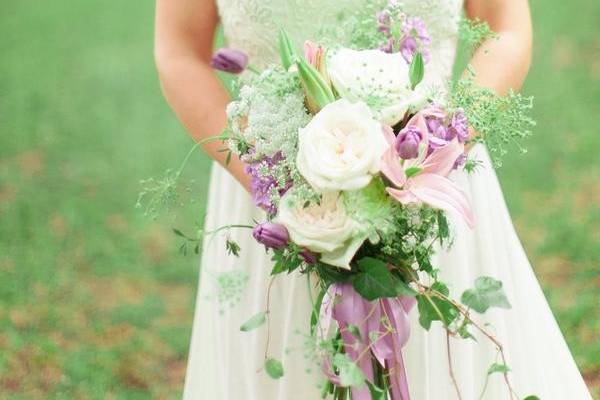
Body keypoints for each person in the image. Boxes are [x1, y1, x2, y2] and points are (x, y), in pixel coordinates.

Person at [154, 0, 593, 398]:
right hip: (272, 198)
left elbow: (506, 27)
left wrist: (442, 141)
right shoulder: (271, 184)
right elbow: (180, 52)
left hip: (429, 182)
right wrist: (278, 181)